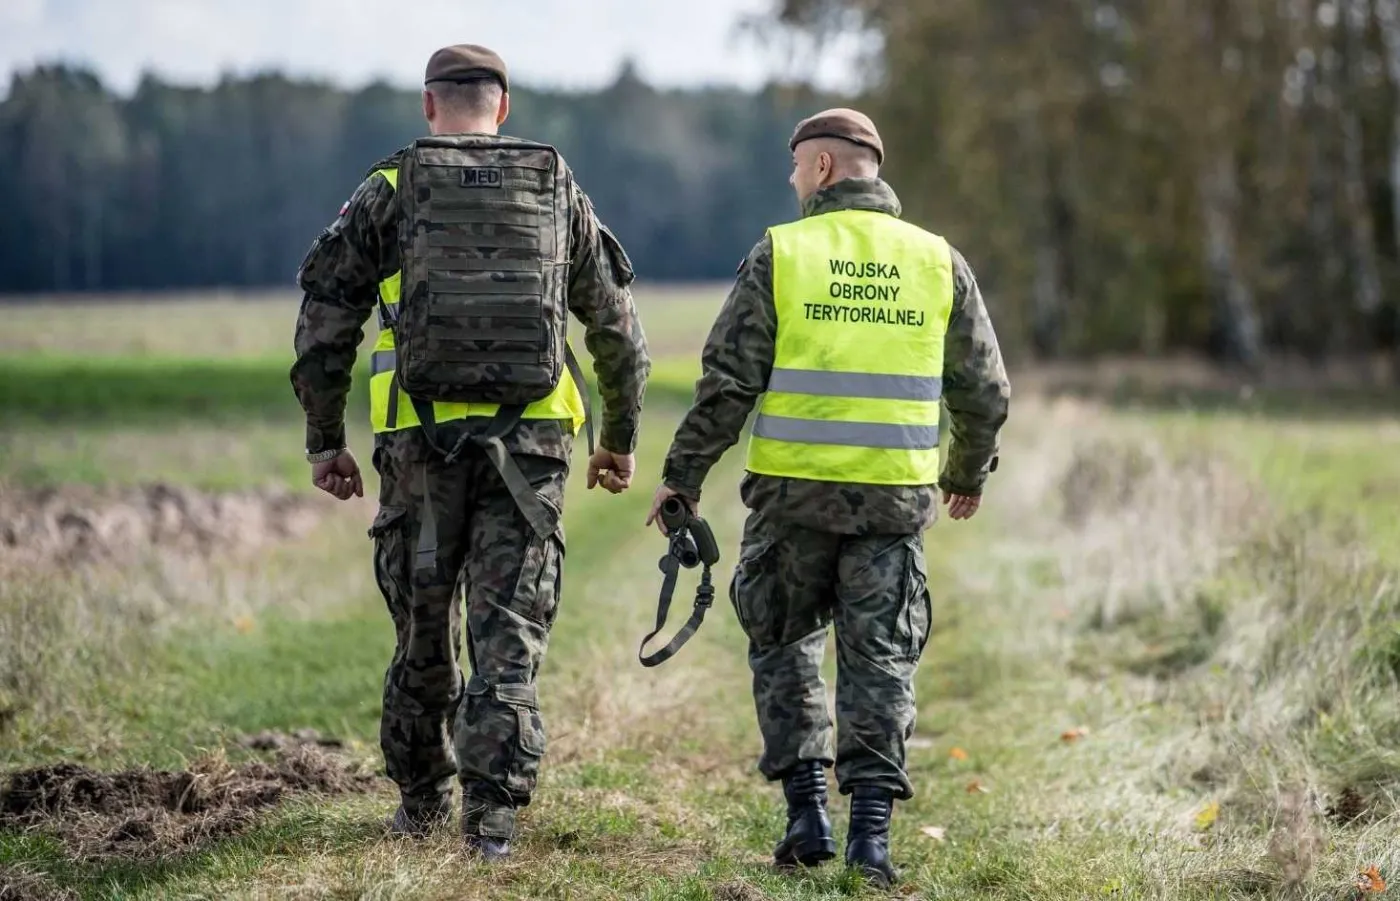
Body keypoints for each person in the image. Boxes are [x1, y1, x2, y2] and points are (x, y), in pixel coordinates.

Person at [290, 43, 650, 861]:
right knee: (508, 630)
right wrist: (619, 438)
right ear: (504, 106)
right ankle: (492, 822)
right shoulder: (556, 186)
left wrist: (325, 440)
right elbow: (618, 328)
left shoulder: (389, 188)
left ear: (428, 106)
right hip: (531, 451)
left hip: (417, 447)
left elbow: (324, 320)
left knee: (423, 628)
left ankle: (420, 801)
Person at [646, 108, 1009, 887]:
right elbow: (985, 389)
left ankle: (807, 815)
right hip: (892, 506)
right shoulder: (938, 261)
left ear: (820, 169)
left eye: (795, 168)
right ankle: (870, 841)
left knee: (783, 646)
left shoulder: (782, 253)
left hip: (790, 501)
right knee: (880, 662)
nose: (791, 182)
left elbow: (728, 382)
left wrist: (683, 474)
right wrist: (965, 473)